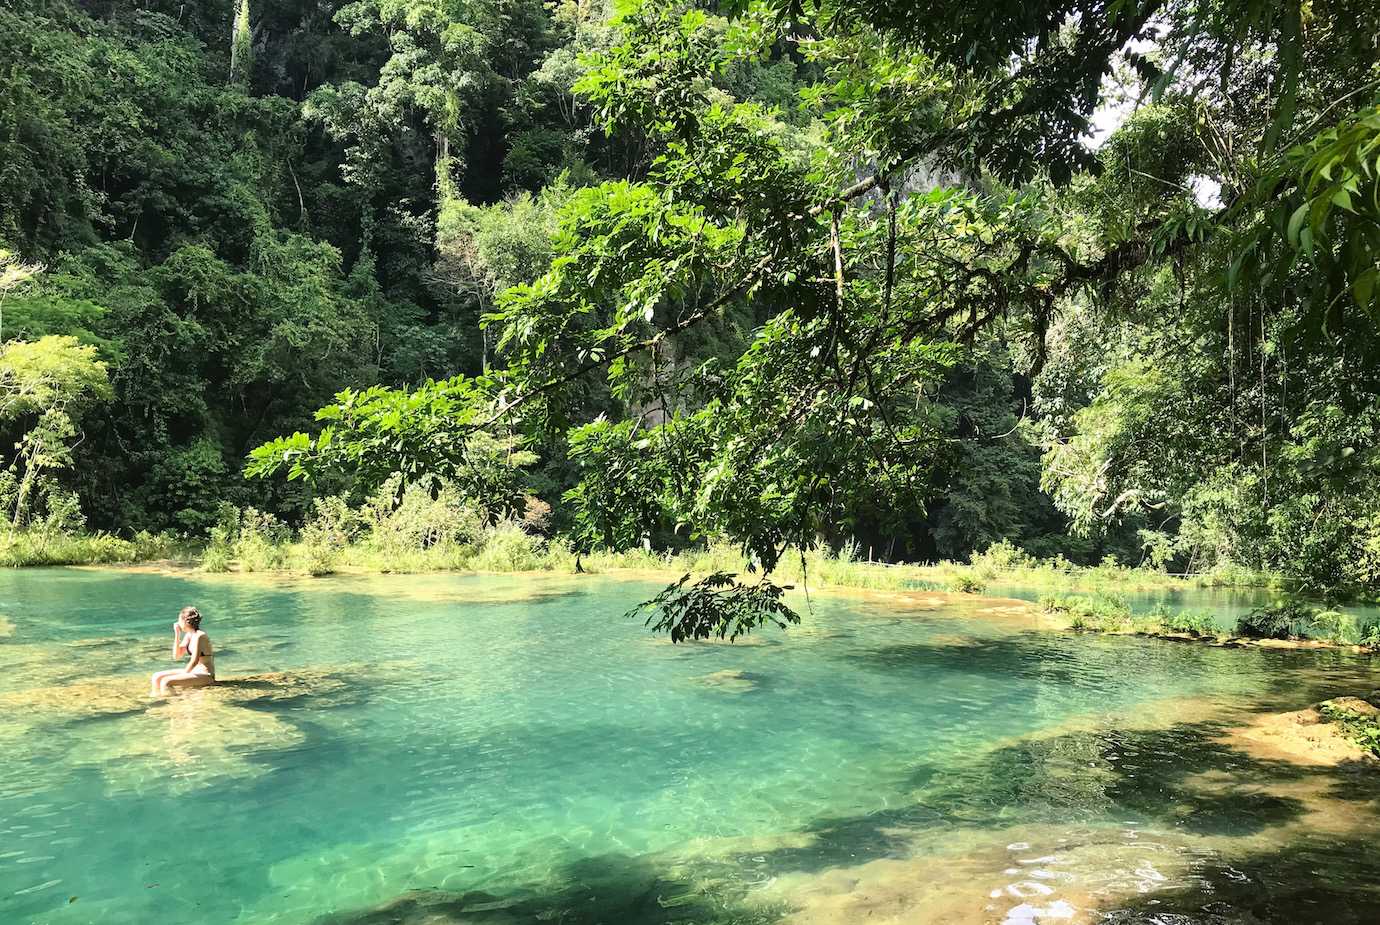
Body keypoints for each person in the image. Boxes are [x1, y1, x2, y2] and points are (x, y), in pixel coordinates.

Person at [150, 606, 216, 694]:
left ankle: (171, 701)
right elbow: (176, 656)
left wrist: (184, 674)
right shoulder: (189, 635)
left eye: (179, 620)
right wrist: (177, 634)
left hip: (205, 675)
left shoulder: (200, 636)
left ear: (185, 621)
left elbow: (194, 661)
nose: (178, 623)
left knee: (166, 682)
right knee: (156, 677)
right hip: (194, 672)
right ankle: (159, 698)